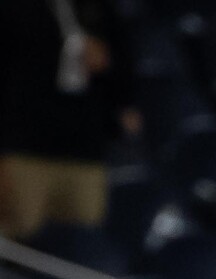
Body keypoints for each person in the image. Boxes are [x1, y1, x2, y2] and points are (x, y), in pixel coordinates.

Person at [0, 0, 133, 241]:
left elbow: (124, 67)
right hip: (23, 149)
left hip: (84, 150)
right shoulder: (13, 7)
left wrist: (106, 62)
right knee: (19, 250)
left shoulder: (98, 9)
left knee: (84, 246)